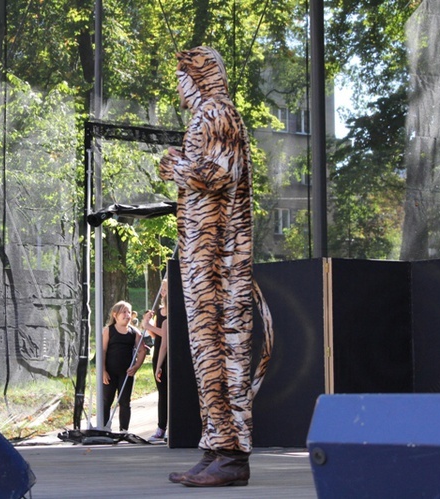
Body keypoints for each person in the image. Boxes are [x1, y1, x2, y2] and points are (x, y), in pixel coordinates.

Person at [158, 46, 274, 487]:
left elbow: (219, 173)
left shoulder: (218, 113)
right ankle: (215, 445)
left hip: (220, 259)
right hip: (202, 256)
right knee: (208, 353)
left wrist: (176, 166)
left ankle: (232, 453)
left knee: (224, 352)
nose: (179, 88)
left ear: (198, 77)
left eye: (182, 78)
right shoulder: (206, 116)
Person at [101, 300, 147, 432]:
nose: (127, 315)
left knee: (125, 402)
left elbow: (142, 350)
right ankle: (104, 428)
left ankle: (124, 430)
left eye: (128, 312)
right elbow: (103, 350)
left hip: (126, 373)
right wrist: (103, 370)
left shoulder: (135, 332)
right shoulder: (108, 331)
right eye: (123, 312)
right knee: (107, 401)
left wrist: (137, 366)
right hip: (110, 372)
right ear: (115, 315)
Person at [142, 278, 169, 443]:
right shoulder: (160, 311)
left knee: (169, 391)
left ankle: (166, 426)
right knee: (162, 391)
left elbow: (166, 333)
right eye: (162, 290)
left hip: (168, 353)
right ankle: (161, 427)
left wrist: (148, 326)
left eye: (165, 289)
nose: (163, 292)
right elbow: (155, 335)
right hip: (158, 351)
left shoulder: (173, 310)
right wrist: (148, 324)